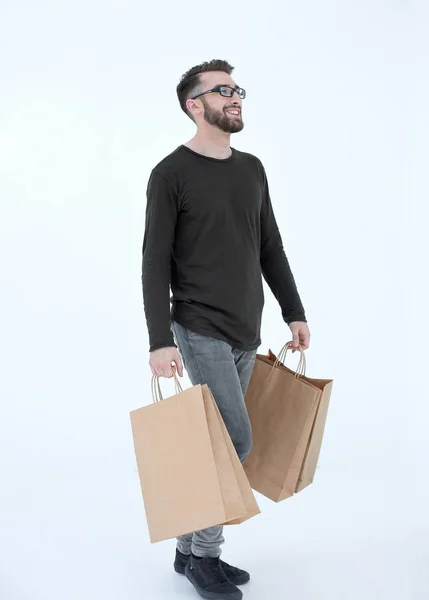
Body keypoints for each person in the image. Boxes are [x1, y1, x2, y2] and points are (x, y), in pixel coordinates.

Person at [141, 59, 310, 600]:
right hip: (197, 325)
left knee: (218, 442)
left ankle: (188, 550)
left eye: (237, 88)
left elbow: (270, 247)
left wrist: (294, 311)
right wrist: (159, 340)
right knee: (234, 440)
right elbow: (153, 261)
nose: (236, 97)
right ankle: (204, 560)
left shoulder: (252, 168)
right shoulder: (171, 173)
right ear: (196, 104)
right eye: (223, 90)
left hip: (245, 326)